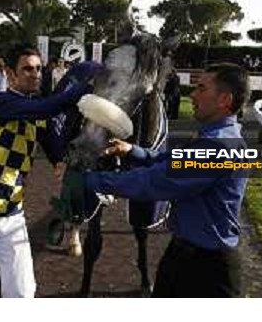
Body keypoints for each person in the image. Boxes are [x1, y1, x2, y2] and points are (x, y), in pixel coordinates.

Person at [62, 63, 250, 298]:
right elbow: (170, 161)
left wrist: (89, 180)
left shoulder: (219, 145)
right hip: (185, 256)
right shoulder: (215, 136)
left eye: (201, 88)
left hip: (207, 270)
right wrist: (132, 151)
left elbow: (154, 181)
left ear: (224, 99)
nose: (192, 94)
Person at [0, 45, 101, 298]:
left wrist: (60, 162)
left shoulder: (37, 114)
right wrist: (89, 86)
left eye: (39, 69)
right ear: (10, 74)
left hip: (11, 216)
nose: (35, 74)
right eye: (27, 69)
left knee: (23, 293)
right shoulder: (0, 102)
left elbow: (54, 142)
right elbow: (47, 108)